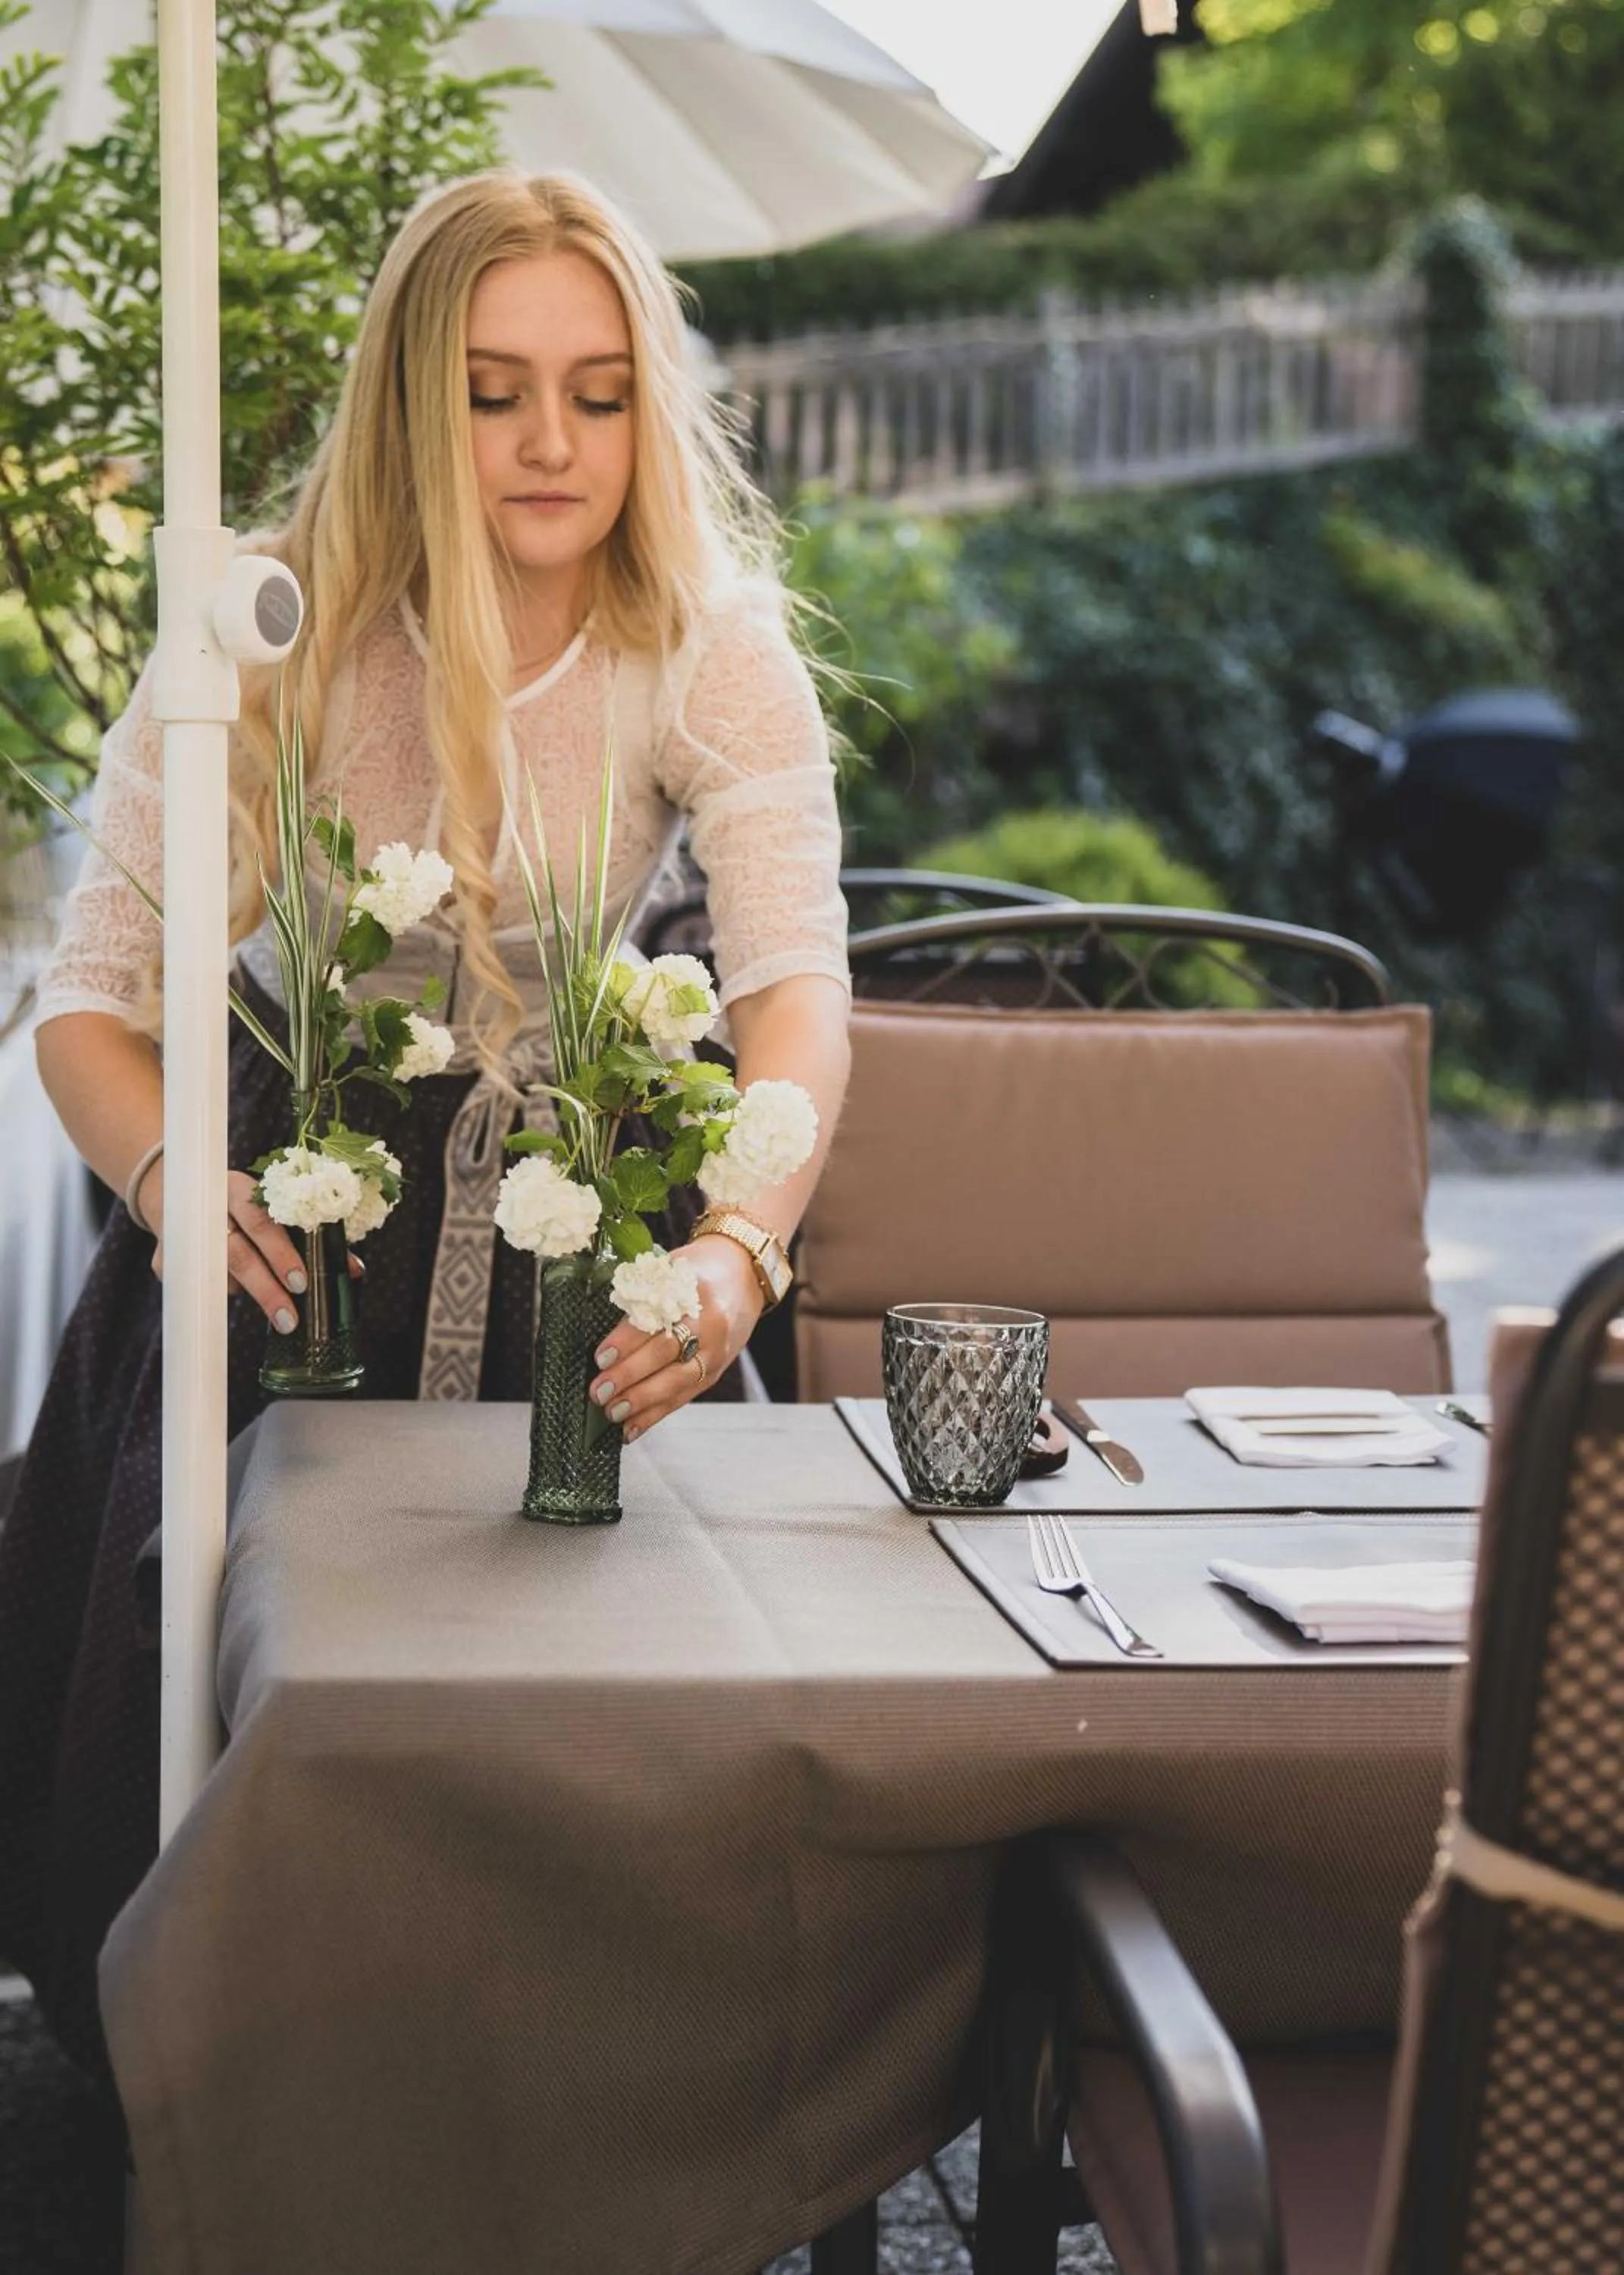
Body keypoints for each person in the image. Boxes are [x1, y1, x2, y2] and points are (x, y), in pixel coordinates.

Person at [0, 170, 851, 2084]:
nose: (552, 440)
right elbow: (91, 1005)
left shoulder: (703, 640)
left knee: (591, 1703)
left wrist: (740, 1244)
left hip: (582, 1223)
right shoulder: (264, 624)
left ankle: (564, 2098)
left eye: (599, 391)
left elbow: (797, 987)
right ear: (408, 398)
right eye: (492, 390)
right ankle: (232, 2104)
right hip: (282, 1237)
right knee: (221, 1695)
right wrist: (175, 1182)